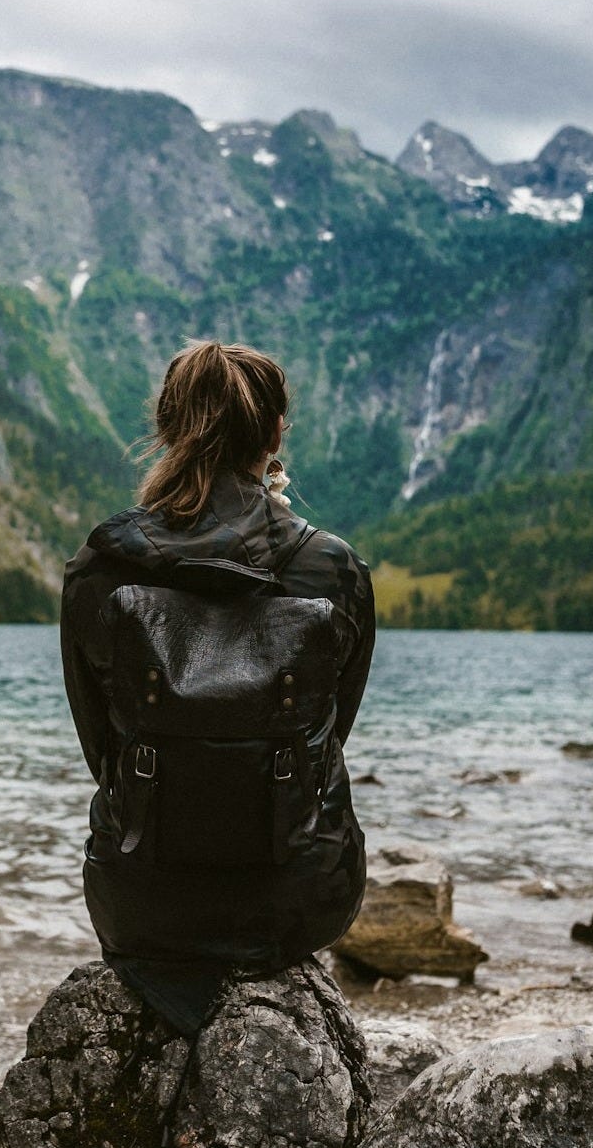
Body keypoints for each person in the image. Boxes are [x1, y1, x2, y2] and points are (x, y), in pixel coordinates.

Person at [60, 339, 374, 1034]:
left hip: (140, 902)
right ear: (274, 435)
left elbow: (101, 746)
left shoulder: (99, 569)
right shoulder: (332, 569)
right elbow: (330, 738)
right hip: (298, 900)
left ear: (169, 428)